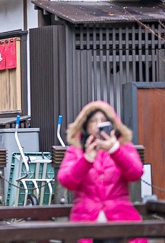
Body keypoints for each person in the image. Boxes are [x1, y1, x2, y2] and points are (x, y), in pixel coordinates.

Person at [57, 101, 144, 243]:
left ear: (112, 124)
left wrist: (115, 150)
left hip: (119, 221)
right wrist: (86, 160)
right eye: (93, 121)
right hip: (86, 221)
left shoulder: (123, 146)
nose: (98, 124)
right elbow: (66, 181)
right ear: (85, 125)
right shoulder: (76, 150)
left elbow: (136, 173)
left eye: (103, 120)